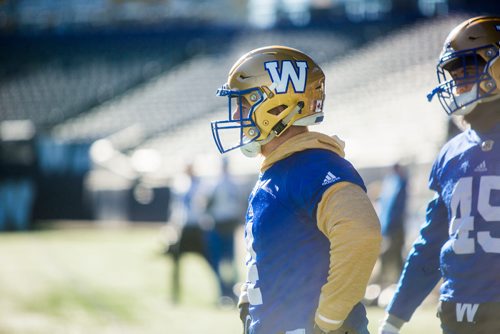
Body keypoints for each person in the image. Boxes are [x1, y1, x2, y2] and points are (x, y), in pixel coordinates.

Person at [211, 45, 382, 334]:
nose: (237, 114)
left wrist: (328, 320)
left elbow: (361, 233)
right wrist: (248, 300)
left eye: (243, 104)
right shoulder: (278, 171)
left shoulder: (314, 166)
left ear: (277, 108)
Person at [379, 16, 500, 334]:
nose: (458, 79)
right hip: (456, 310)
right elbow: (431, 244)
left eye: (468, 65)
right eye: (453, 71)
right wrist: (394, 319)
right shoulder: (451, 153)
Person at [205, 158, 246, 304]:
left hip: (220, 223)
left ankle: (224, 293)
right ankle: (233, 291)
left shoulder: (216, 184)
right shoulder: (235, 184)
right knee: (230, 260)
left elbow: (207, 204)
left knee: (221, 261)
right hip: (230, 222)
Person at [376, 163, 408, 287]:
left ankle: (392, 284)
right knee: (389, 257)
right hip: (391, 227)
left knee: (394, 257)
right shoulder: (394, 182)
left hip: (391, 227)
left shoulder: (394, 182)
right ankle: (385, 284)